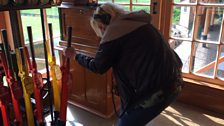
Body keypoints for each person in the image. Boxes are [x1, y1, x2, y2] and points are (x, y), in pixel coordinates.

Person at [64, 2, 183, 126]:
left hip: (158, 90)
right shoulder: (137, 22)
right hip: (175, 80)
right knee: (130, 116)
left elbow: (98, 66)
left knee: (125, 123)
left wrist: (75, 56)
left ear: (101, 26)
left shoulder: (114, 32)